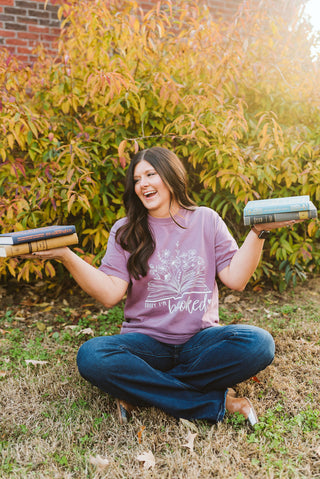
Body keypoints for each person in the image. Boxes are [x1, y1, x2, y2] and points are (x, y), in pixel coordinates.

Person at [27, 146, 298, 427]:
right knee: (92, 356)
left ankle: (142, 390)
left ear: (170, 175)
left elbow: (236, 279)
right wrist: (66, 256)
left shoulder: (206, 219)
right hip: (146, 345)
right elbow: (109, 294)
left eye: (150, 174)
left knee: (259, 344)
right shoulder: (125, 230)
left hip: (200, 343)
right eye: (136, 179)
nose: (142, 183)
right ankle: (212, 402)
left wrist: (259, 232)